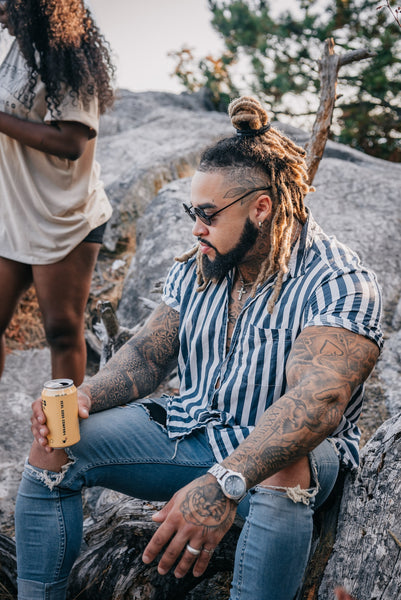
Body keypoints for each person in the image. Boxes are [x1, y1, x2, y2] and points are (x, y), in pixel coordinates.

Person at [15, 96, 383, 600]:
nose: (196, 227)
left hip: (276, 461)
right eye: (193, 211)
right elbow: (146, 356)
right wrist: (87, 396)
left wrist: (223, 482)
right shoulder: (200, 265)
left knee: (287, 463)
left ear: (262, 207)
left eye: (208, 214)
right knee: (55, 440)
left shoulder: (339, 280)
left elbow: (319, 401)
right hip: (192, 428)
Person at [0, 0, 114, 385]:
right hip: (12, 212)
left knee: (63, 331)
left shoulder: (66, 52)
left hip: (63, 216)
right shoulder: (16, 46)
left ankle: (65, 442)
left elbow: (71, 142)